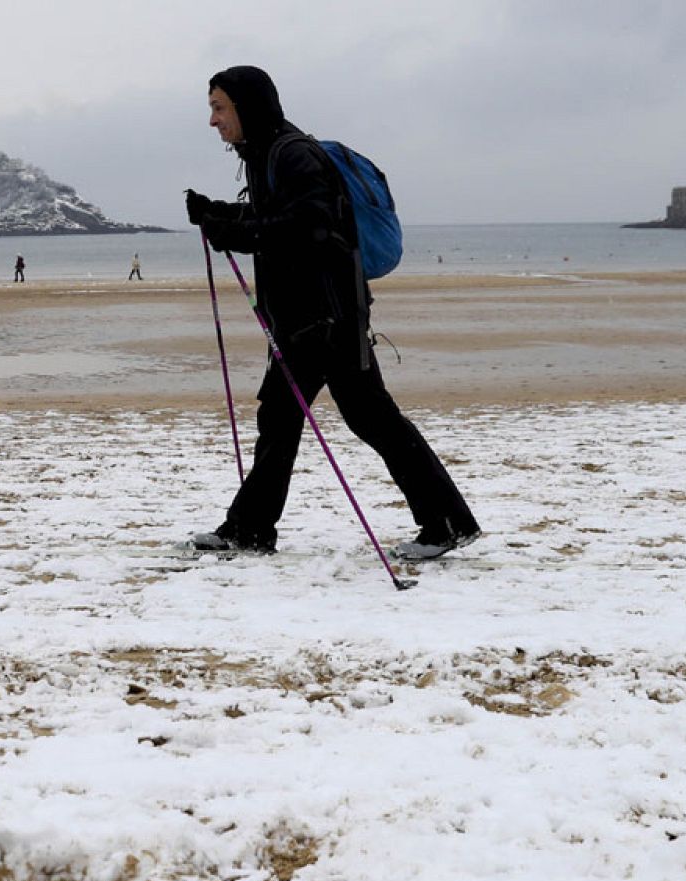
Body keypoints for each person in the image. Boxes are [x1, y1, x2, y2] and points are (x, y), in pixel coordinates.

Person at [183, 65, 479, 560]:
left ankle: (444, 523)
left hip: (327, 319)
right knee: (295, 419)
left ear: (246, 106)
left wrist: (233, 231)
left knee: (351, 420)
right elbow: (276, 219)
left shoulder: (293, 154)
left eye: (219, 108)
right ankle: (253, 528)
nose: (212, 120)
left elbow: (309, 227)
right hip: (306, 319)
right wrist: (220, 213)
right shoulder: (264, 154)